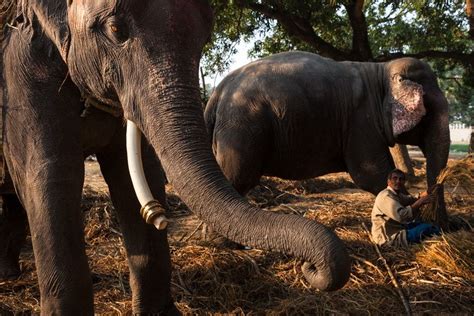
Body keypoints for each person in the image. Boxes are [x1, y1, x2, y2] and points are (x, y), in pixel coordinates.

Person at [371, 168, 440, 247]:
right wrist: (420, 202)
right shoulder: (385, 196)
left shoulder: (396, 194)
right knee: (427, 228)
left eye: (401, 179)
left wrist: (427, 193)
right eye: (395, 178)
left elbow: (410, 199)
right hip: (388, 238)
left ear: (404, 182)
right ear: (388, 181)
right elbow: (401, 215)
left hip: (399, 228)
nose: (398, 181)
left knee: (426, 224)